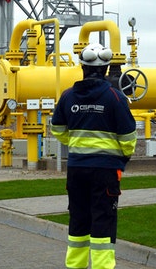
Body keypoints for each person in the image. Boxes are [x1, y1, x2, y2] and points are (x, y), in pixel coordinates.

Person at [51, 43, 137, 269]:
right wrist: (121, 158)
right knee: (103, 220)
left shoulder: (68, 96)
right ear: (107, 69)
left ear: (82, 67)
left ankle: (75, 266)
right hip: (106, 170)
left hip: (77, 168)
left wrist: (76, 144)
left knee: (78, 219)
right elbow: (128, 137)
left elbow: (57, 129)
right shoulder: (115, 97)